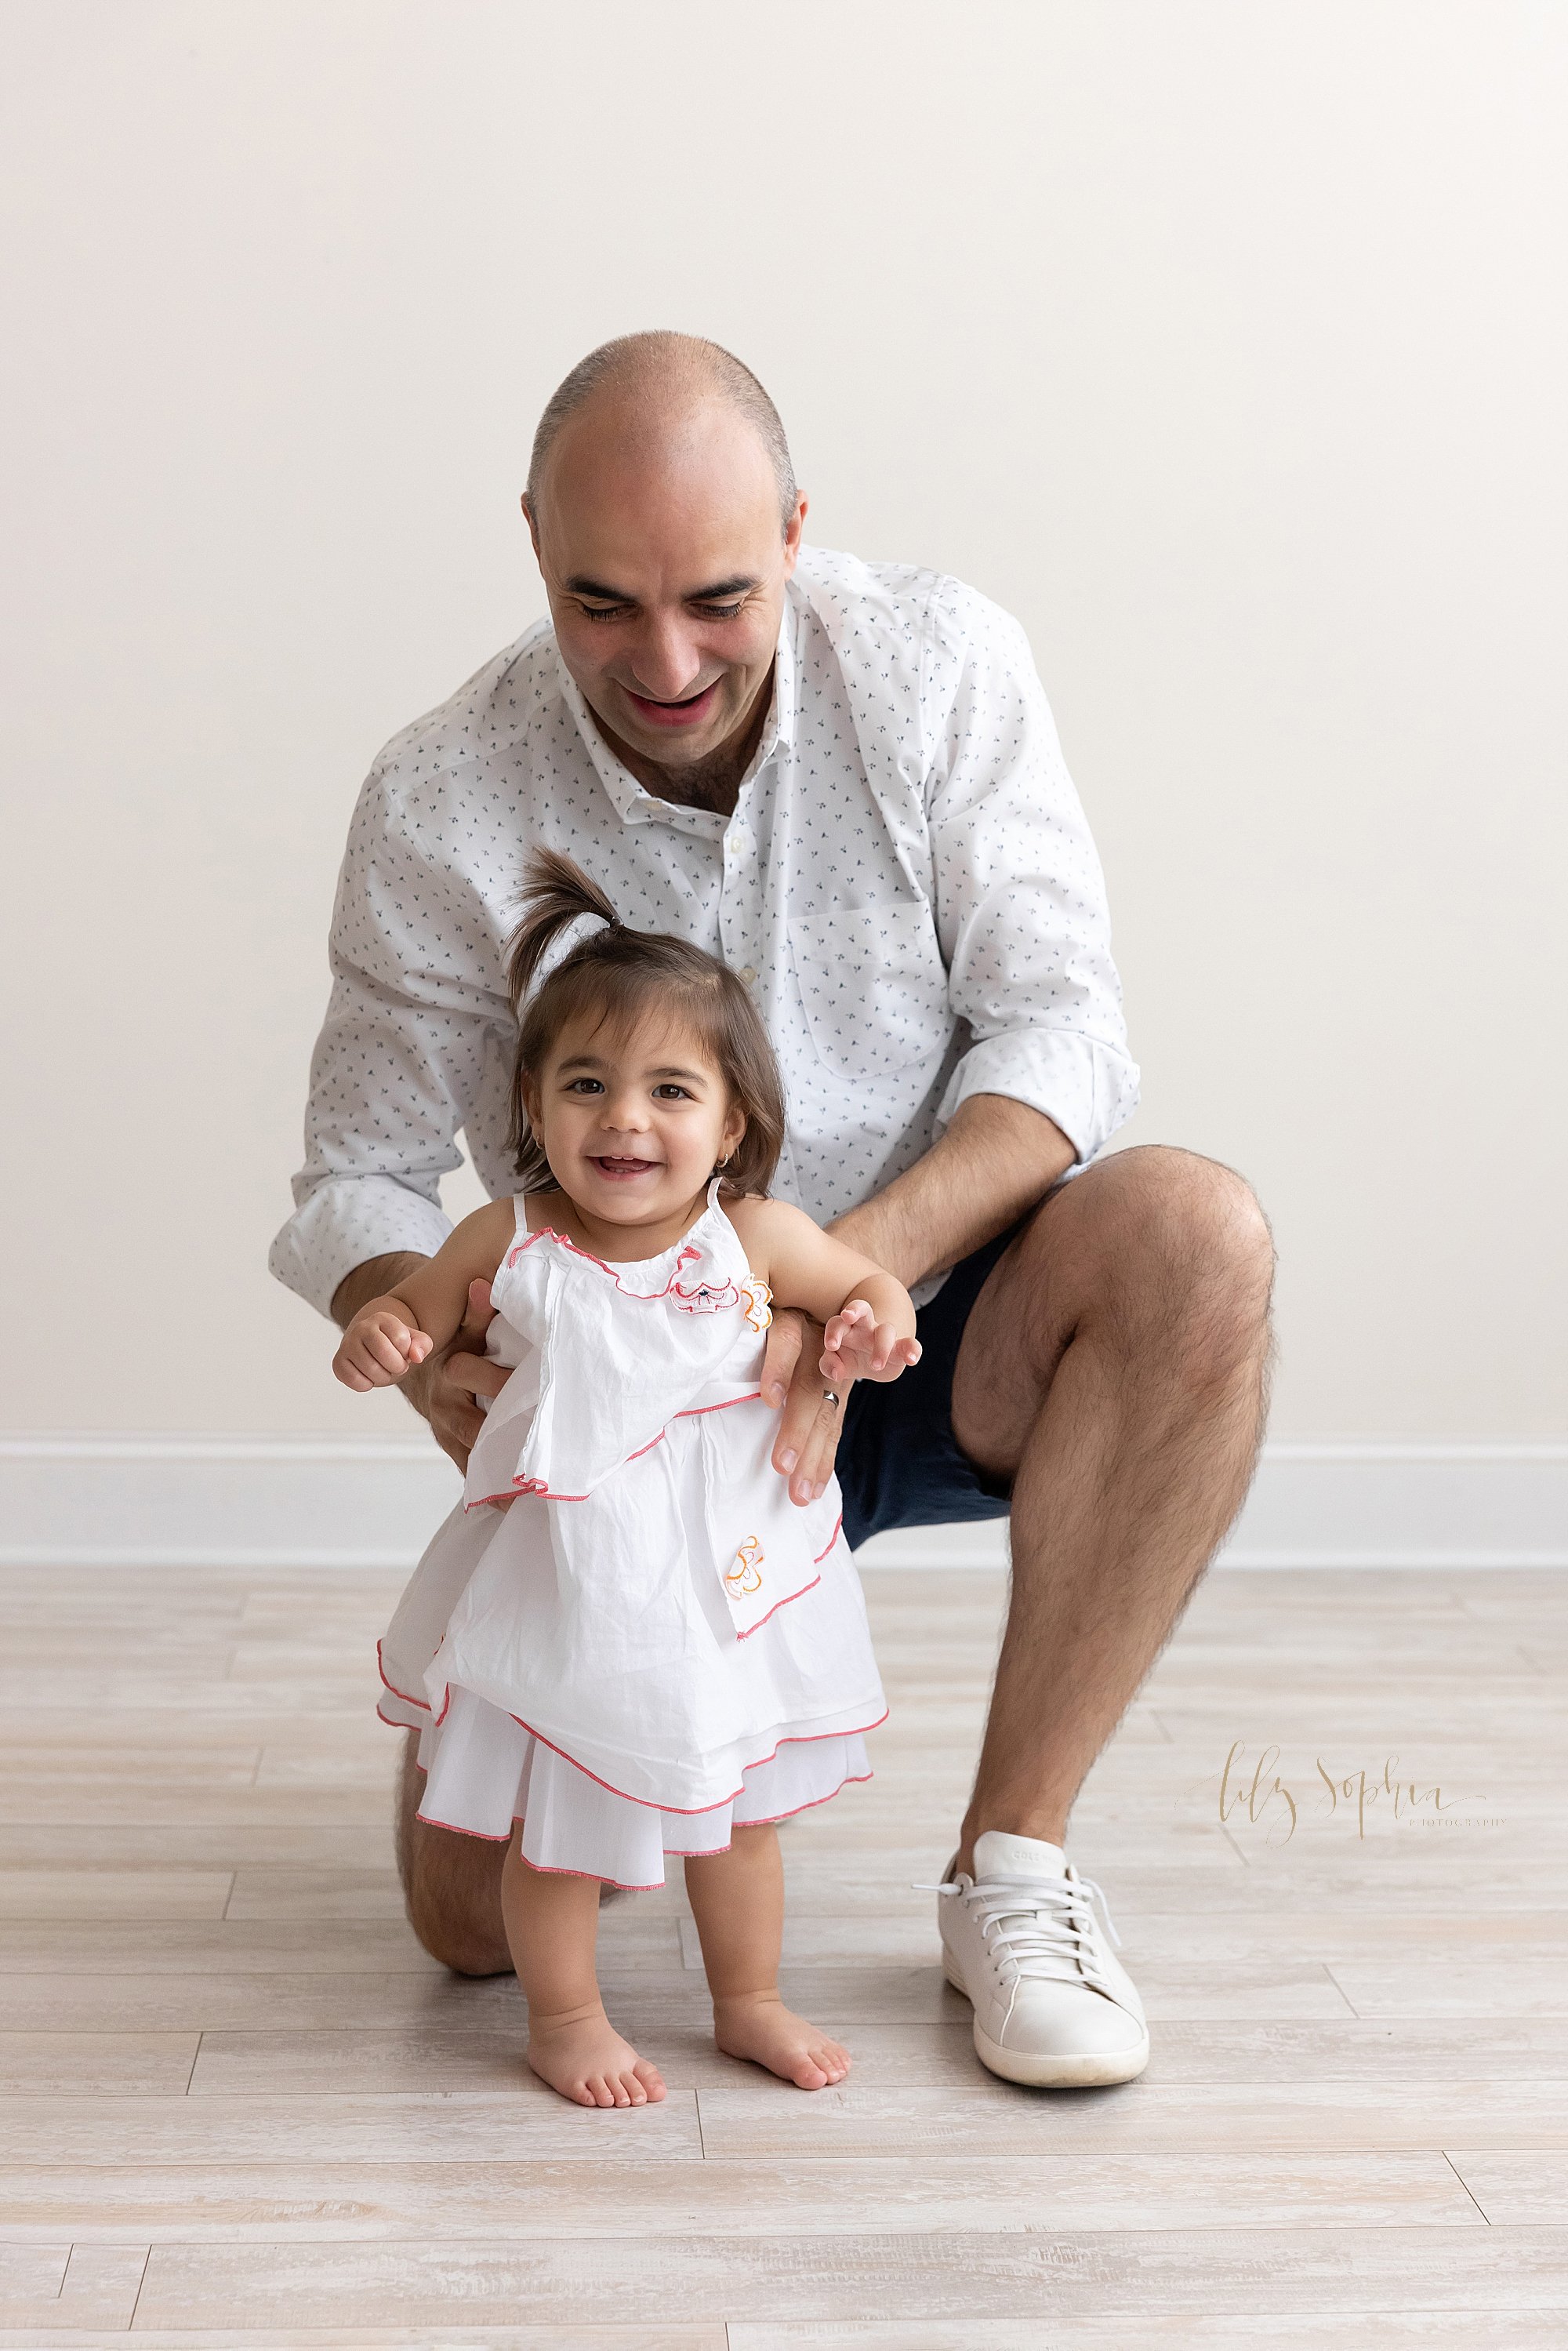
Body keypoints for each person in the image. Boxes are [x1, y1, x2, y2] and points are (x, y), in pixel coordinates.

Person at [272, 328, 1276, 2091]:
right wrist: (423, 1333)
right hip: (624, 1434)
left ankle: (1015, 1863)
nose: (663, 660)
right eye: (601, 602)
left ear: (800, 529)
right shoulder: (438, 791)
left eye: (717, 597)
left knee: (1198, 1233)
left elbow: (1063, 1021)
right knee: (458, 1938)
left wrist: (834, 1285)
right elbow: (356, 1169)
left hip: (920, 1317)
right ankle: (605, 1776)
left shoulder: (936, 663)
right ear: (529, 541)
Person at [333, 852, 920, 2106]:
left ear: (733, 1124)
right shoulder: (515, 1232)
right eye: (585, 1086)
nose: (624, 1120)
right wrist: (388, 1332)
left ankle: (748, 1997)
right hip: (576, 1592)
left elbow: (859, 1286)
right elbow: (419, 1313)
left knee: (742, 1813)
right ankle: (569, 2014)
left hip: (722, 1590)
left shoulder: (752, 1237)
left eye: (670, 1090)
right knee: (563, 1816)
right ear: (534, 1107)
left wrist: (871, 1323)